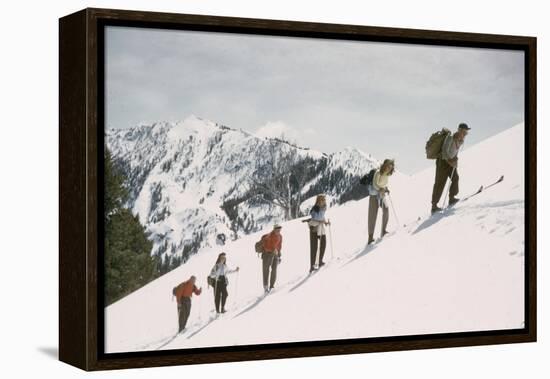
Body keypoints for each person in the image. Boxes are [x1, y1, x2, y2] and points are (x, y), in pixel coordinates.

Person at [431, 123, 470, 213]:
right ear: (459, 130)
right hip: (442, 162)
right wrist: (451, 161)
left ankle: (452, 198)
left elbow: (455, 151)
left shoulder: (461, 141)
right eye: (464, 131)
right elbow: (444, 152)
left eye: (466, 132)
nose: (465, 134)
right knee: (440, 183)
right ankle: (434, 206)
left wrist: (455, 159)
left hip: (451, 162)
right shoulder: (450, 138)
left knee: (455, 178)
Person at [368, 159, 395, 245]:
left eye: (390, 167)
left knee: (386, 209)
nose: (389, 169)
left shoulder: (387, 175)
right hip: (374, 195)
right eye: (388, 166)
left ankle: (383, 231)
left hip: (381, 195)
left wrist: (385, 189)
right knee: (373, 215)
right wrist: (381, 189)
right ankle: (370, 237)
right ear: (384, 165)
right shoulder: (378, 173)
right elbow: (375, 184)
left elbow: (383, 184)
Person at [308, 194, 330, 272]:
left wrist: (325, 222)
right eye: (322, 199)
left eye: (324, 199)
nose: (324, 201)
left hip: (320, 227)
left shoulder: (323, 207)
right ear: (319, 200)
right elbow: (316, 217)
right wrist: (322, 220)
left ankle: (320, 261)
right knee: (314, 247)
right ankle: (312, 265)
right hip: (314, 228)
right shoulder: (315, 208)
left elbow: (321, 217)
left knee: (323, 243)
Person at [261, 224, 283, 293]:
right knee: (266, 271)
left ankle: (272, 286)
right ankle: (265, 286)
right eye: (277, 228)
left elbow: (279, 246)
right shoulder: (269, 236)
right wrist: (273, 250)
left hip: (275, 255)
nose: (279, 230)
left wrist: (279, 255)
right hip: (267, 255)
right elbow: (266, 247)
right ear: (274, 229)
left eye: (280, 228)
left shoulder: (280, 236)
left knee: (274, 270)